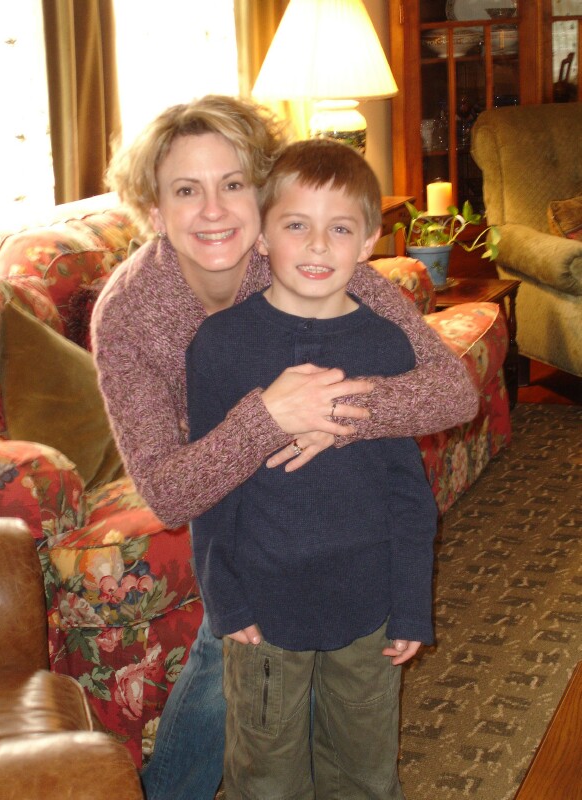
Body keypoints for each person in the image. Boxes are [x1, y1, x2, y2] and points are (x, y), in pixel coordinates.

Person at [91, 95, 478, 800]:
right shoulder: (130, 312)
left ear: (263, 194)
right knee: (234, 658)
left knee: (319, 703)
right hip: (226, 510)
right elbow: (170, 492)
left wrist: (336, 410)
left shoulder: (306, 252)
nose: (214, 210)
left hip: (324, 526)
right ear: (154, 210)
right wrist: (268, 418)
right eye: (186, 190)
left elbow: (452, 392)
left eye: (233, 183)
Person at [186, 138, 438, 799]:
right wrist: (224, 598)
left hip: (369, 601)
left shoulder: (387, 344)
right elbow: (209, 484)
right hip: (263, 609)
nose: (318, 245)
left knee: (364, 770)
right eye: (297, 225)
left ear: (370, 240)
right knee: (266, 775)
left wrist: (411, 603)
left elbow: (408, 492)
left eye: (340, 229)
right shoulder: (219, 346)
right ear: (262, 233)